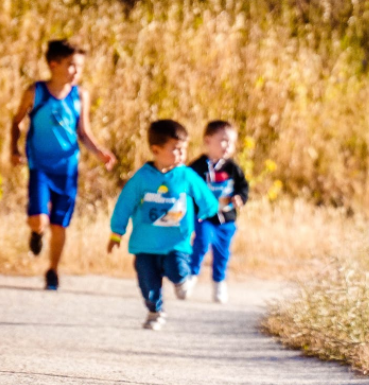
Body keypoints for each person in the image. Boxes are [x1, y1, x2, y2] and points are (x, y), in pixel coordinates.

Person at [9, 39, 116, 290]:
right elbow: (16, 122)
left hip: (67, 170)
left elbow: (83, 131)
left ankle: (53, 270)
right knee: (39, 219)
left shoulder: (80, 95)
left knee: (60, 224)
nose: (76, 71)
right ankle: (36, 233)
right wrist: (13, 149)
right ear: (53, 64)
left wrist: (99, 152)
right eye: (71, 65)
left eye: (79, 66)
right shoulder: (36, 92)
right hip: (40, 167)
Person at [107, 120, 218, 330]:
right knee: (147, 282)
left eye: (184, 149)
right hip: (145, 244)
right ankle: (155, 311)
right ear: (156, 150)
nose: (181, 154)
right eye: (175, 149)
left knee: (176, 269)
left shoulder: (186, 175)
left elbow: (206, 198)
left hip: (176, 242)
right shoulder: (142, 178)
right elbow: (125, 205)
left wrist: (206, 212)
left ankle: (183, 279)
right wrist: (116, 233)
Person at [188, 120, 249, 304]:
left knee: (222, 253)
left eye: (231, 142)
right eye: (223, 140)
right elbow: (187, 186)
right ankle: (190, 277)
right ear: (208, 140)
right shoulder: (198, 166)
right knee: (201, 243)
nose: (227, 146)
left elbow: (243, 186)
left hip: (226, 218)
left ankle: (219, 282)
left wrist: (240, 197)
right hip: (204, 217)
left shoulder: (232, 168)